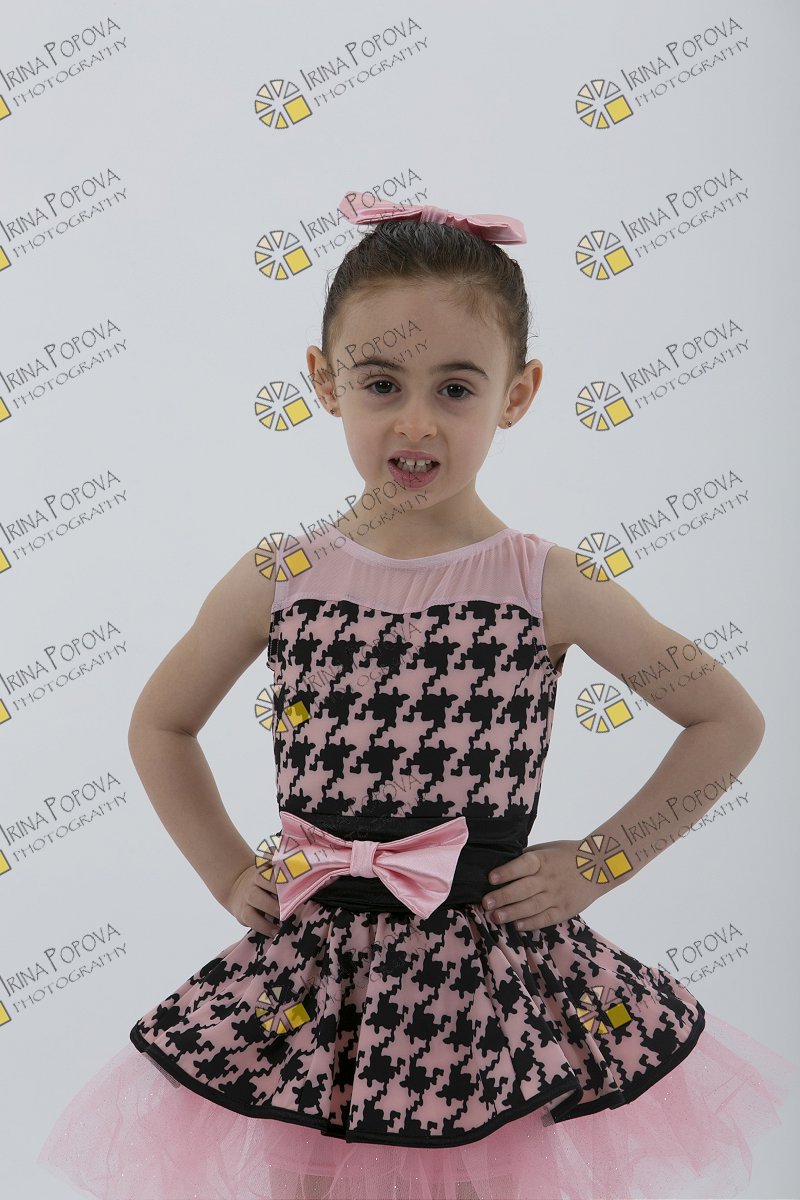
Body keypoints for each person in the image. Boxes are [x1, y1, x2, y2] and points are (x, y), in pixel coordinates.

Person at [36, 192, 797, 1200]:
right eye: (382, 383)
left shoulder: (543, 582)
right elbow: (161, 724)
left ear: (516, 395)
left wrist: (599, 860)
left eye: (455, 388)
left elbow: (726, 719)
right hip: (315, 975)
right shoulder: (281, 573)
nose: (415, 422)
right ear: (324, 380)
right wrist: (226, 871)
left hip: (485, 975)